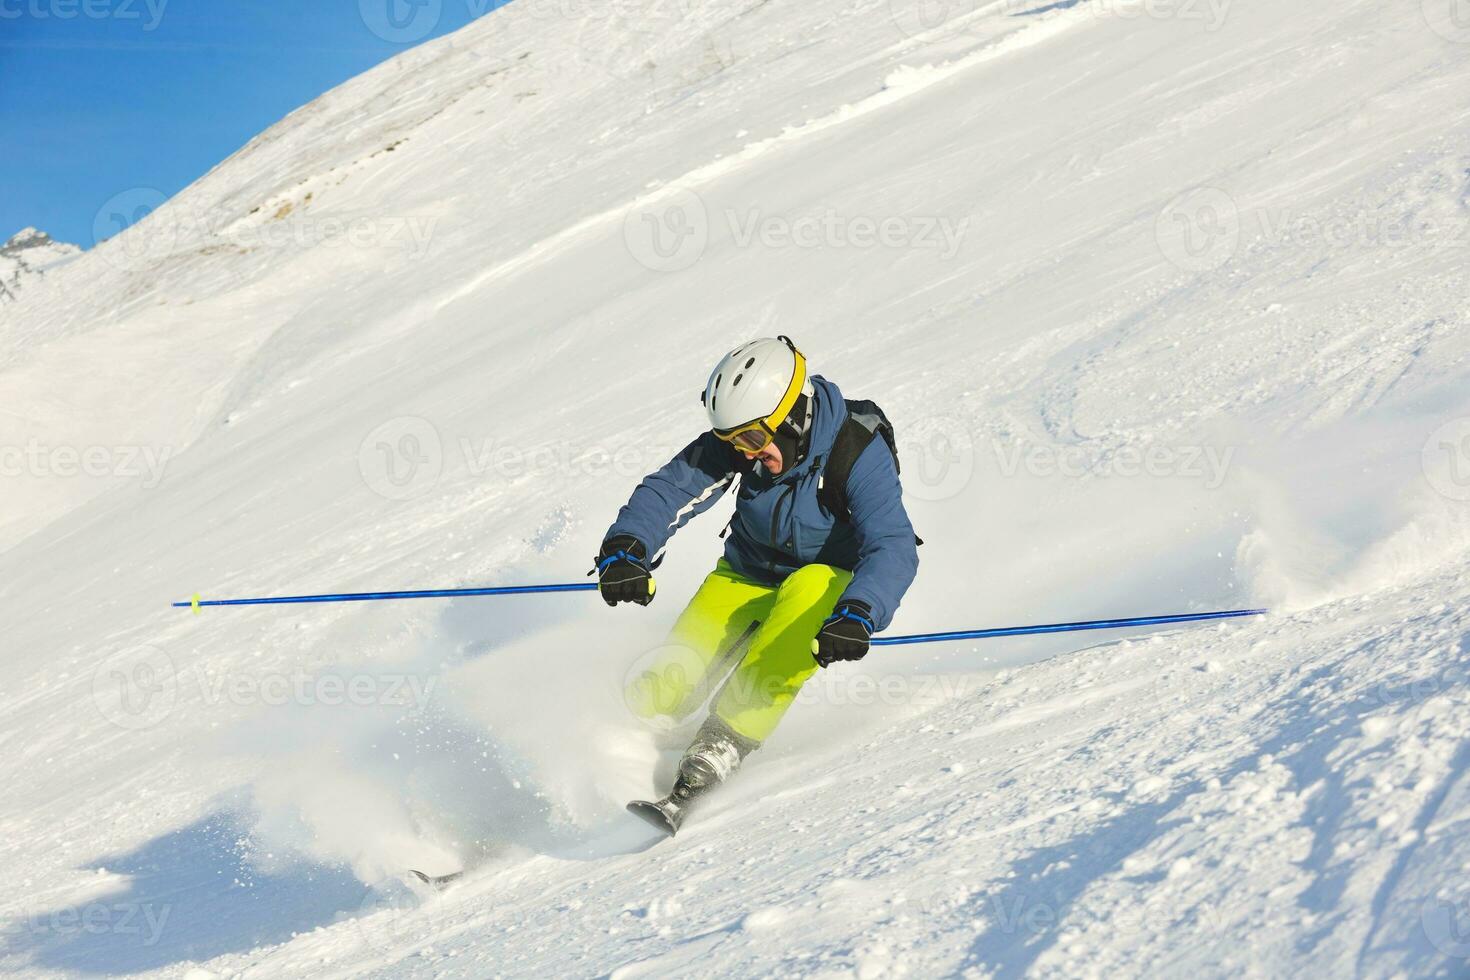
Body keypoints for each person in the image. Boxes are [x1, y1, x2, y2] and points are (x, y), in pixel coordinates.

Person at [596, 336, 919, 831]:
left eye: (750, 440)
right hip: (747, 573)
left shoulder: (855, 451)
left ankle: (721, 745)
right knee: (667, 683)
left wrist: (859, 613)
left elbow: (893, 545)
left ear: (793, 419)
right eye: (732, 443)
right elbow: (670, 488)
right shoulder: (745, 442)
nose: (743, 455)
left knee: (807, 596)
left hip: (826, 584)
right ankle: (613, 759)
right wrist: (627, 551)